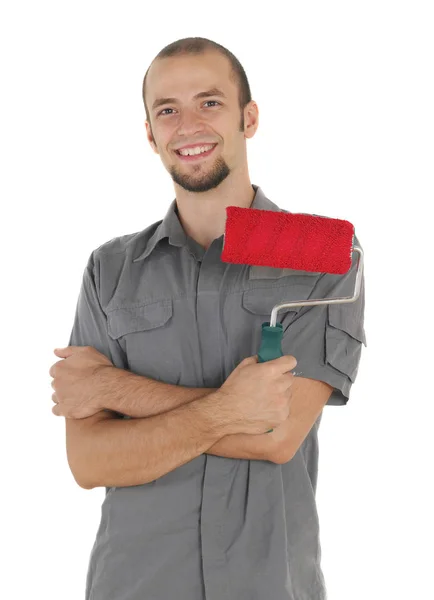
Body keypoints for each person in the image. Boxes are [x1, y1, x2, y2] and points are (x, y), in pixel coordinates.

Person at [50, 37, 366, 600]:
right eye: (167, 110)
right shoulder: (111, 268)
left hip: (270, 585)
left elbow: (276, 435)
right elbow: (89, 458)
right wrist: (230, 410)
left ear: (249, 117)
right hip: (133, 585)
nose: (187, 125)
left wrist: (112, 389)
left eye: (210, 102)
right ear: (150, 133)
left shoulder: (322, 249)